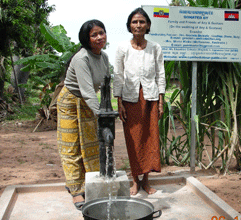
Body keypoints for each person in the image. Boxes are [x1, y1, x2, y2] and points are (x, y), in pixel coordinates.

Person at [57, 19, 109, 210]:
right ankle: (76, 191)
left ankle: (90, 183)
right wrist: (102, 115)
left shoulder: (104, 58)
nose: (99, 38)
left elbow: (104, 86)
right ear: (86, 39)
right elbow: (87, 91)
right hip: (70, 101)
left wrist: (107, 108)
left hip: (87, 103)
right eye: (94, 35)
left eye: (101, 33)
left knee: (90, 144)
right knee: (71, 146)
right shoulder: (81, 58)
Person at [113, 7, 166, 195]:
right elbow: (118, 75)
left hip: (151, 98)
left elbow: (160, 74)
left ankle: (146, 180)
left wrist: (161, 101)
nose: (138, 25)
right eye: (135, 22)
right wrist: (119, 102)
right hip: (130, 99)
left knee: (150, 138)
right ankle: (135, 180)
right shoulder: (122, 48)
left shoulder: (155, 48)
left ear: (148, 25)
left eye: (142, 22)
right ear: (129, 25)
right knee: (133, 140)